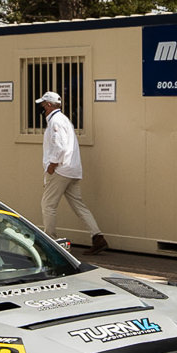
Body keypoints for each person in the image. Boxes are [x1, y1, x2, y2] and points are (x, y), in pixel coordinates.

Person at [35, 91, 105, 250]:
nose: (42, 108)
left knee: (48, 205)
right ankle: (97, 236)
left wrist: (52, 166)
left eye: (43, 104)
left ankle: (50, 241)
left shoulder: (56, 122)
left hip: (61, 170)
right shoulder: (63, 120)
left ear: (49, 105)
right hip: (72, 169)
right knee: (78, 205)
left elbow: (59, 146)